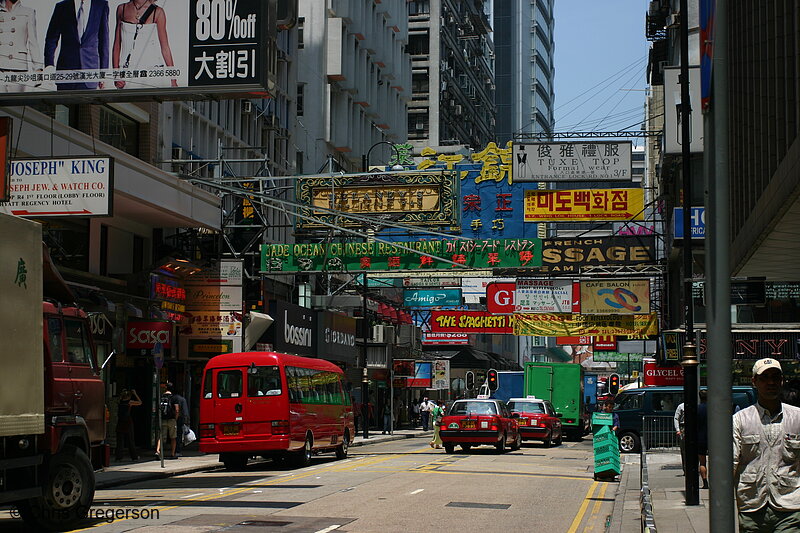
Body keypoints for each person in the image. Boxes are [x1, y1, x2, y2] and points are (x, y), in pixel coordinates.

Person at [733, 358, 800, 532]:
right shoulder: (740, 420)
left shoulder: (797, 417)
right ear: (754, 381)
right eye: (764, 378)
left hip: (790, 506)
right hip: (751, 505)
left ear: (782, 381)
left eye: (775, 377)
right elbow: (730, 463)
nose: (771, 382)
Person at [44, 0, 110, 90]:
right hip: (65, 73)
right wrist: (49, 66)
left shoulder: (101, 5)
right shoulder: (62, 7)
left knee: (88, 103)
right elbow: (51, 38)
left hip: (90, 73)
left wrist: (104, 72)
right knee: (63, 104)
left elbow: (104, 41)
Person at [111, 0, 177, 88]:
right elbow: (117, 45)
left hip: (152, 70)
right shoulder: (122, 9)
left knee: (154, 100)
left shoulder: (158, 12)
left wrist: (173, 78)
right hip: (127, 71)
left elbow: (165, 47)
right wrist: (116, 74)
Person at [0, 0, 43, 93]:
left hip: (18, 68)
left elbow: (33, 42)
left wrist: (38, 68)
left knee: (15, 106)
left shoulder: (28, 12)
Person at [155, 383, 180, 459]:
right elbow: (177, 410)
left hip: (162, 419)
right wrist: (175, 418)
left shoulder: (161, 397)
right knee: (173, 437)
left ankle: (158, 451)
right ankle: (172, 454)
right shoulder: (174, 397)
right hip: (171, 419)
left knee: (161, 436)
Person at [115, 388, 141, 461]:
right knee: (130, 440)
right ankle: (134, 456)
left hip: (120, 421)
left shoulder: (120, 401)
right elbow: (140, 402)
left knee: (120, 440)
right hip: (128, 422)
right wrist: (135, 394)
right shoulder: (130, 402)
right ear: (129, 396)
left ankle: (118, 457)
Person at [170, 382, 189, 457]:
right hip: (179, 419)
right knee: (178, 435)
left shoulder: (171, 398)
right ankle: (177, 450)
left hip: (170, 418)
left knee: (171, 436)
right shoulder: (182, 399)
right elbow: (185, 411)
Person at [697, 389, 709, 489]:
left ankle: (705, 482)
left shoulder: (698, 409)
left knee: (702, 462)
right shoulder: (714, 409)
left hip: (700, 437)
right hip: (713, 438)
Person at [674, 401, 686, 474]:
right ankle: (685, 469)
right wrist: (678, 430)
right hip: (683, 427)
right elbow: (676, 418)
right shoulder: (681, 406)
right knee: (684, 450)